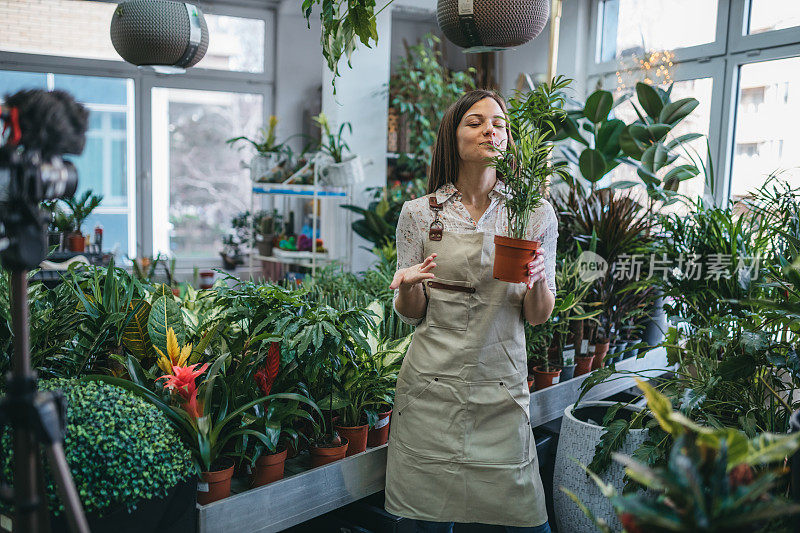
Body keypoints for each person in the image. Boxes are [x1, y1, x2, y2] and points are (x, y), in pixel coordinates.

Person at [384, 89, 558, 533]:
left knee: (524, 517)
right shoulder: (420, 214)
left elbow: (537, 315)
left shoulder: (532, 213)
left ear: (509, 139)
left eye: (498, 123)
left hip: (500, 387)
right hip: (431, 388)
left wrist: (537, 276)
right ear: (454, 135)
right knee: (421, 518)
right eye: (475, 122)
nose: (489, 130)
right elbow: (411, 314)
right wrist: (408, 285)